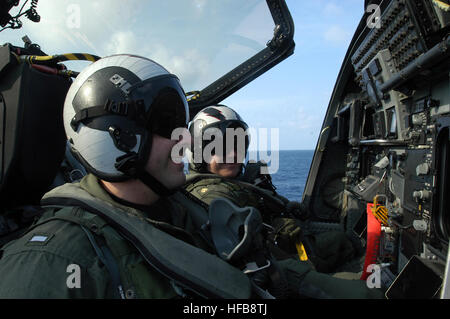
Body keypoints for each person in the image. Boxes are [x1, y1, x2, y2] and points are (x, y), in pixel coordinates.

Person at [0, 55, 246, 299]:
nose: (187, 140)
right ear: (118, 138)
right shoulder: (49, 264)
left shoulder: (177, 209)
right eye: (168, 124)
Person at [184, 105, 384, 298]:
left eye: (237, 144)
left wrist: (287, 209)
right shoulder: (210, 197)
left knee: (345, 242)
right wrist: (274, 233)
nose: (233, 154)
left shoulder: (237, 181)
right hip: (276, 272)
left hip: (288, 251)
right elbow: (240, 260)